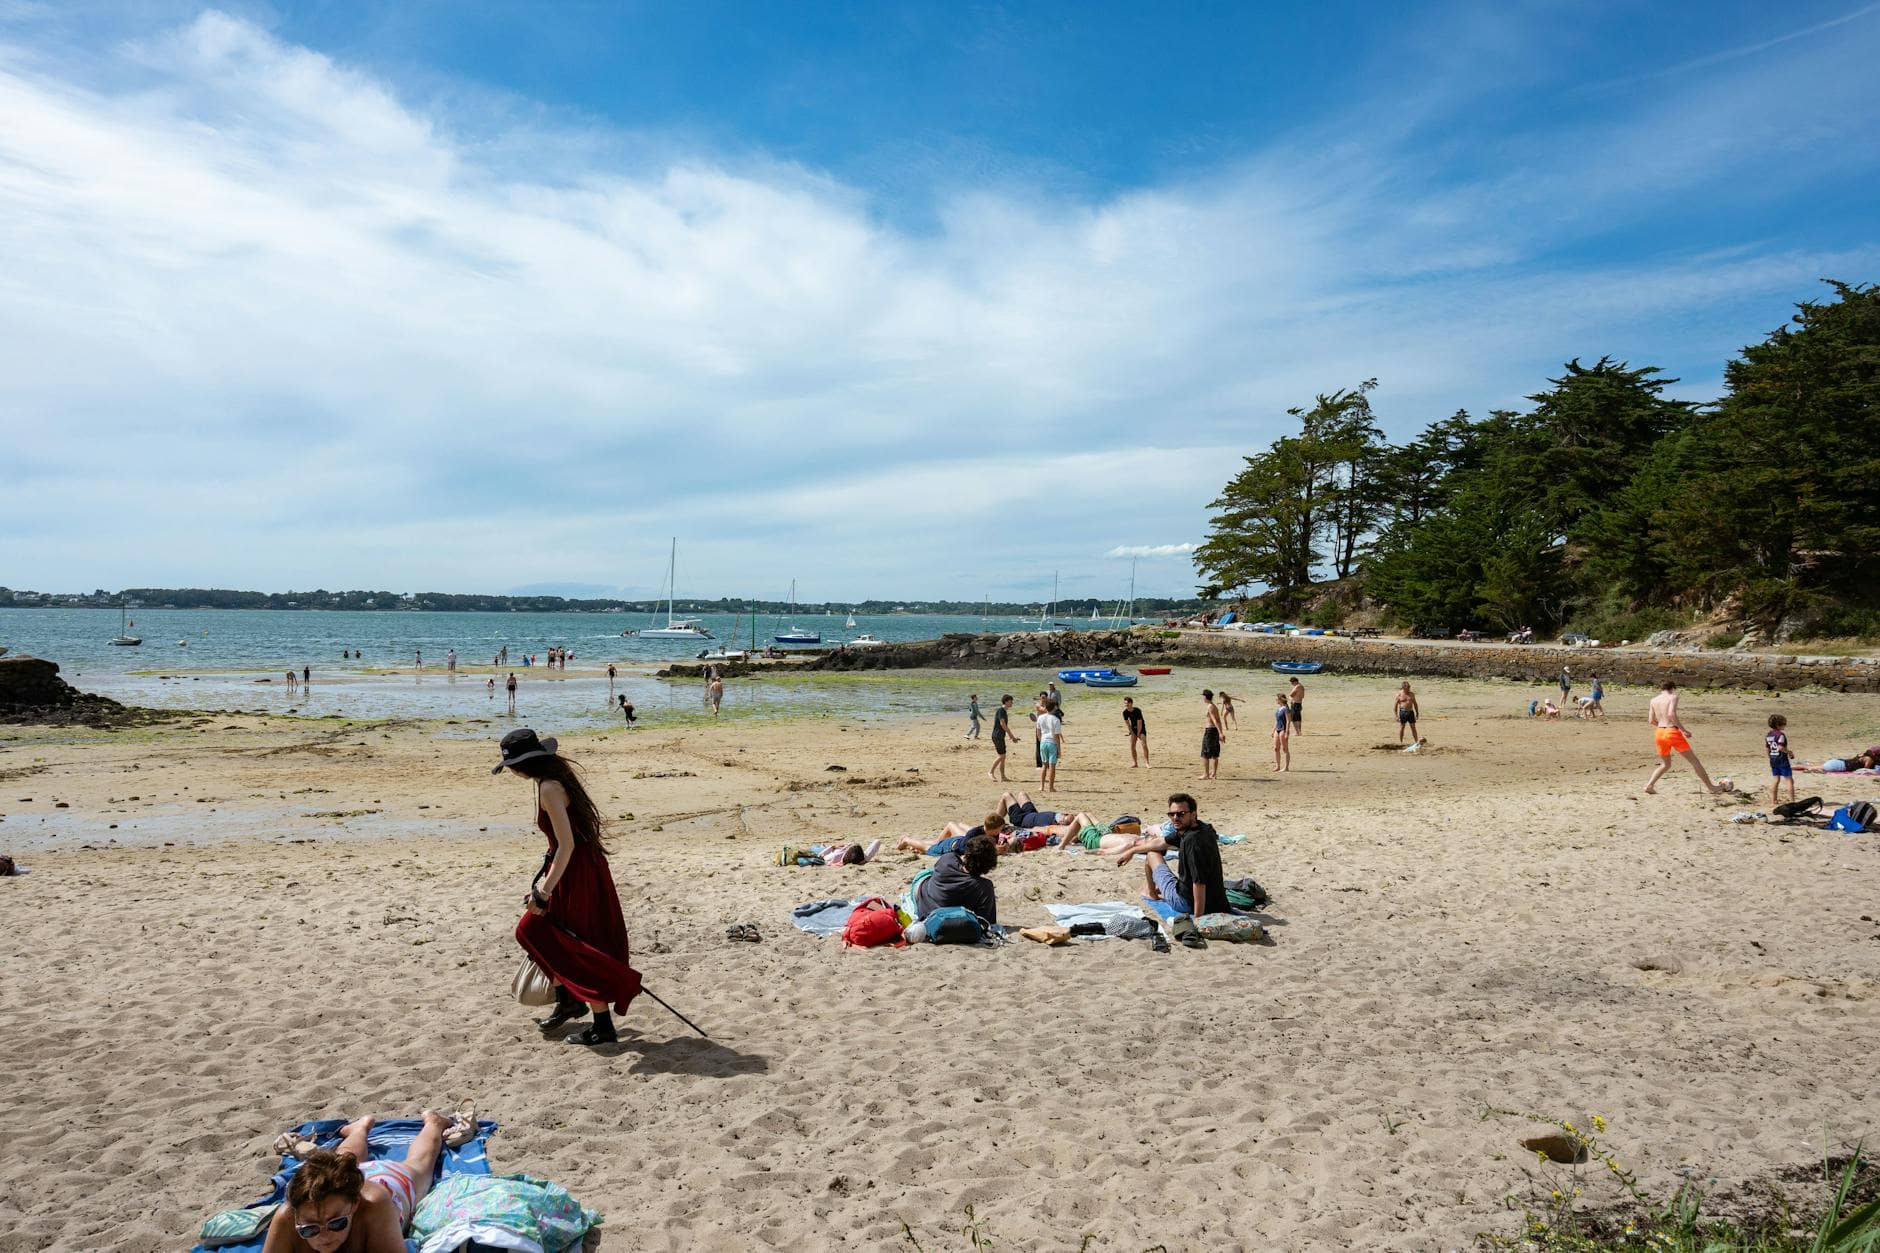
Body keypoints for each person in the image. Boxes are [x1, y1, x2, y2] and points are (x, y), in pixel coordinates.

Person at [496, 729, 640, 1046]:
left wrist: (544, 891)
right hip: (579, 869)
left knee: (549, 936)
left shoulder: (549, 787)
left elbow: (567, 845)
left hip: (576, 873)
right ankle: (574, 1002)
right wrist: (545, 883)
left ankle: (595, 1019)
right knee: (563, 938)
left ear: (522, 765)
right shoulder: (552, 780)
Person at [261, 1113, 450, 1253]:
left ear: (355, 1204)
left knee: (419, 1165)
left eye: (337, 1223)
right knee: (343, 1160)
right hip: (340, 1180)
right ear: (297, 1219)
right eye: (310, 1229)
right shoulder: (287, 1217)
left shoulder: (375, 1205)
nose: (324, 1236)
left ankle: (434, 1123)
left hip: (388, 1182)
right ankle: (360, 1128)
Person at [1137, 793, 1227, 918]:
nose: (1175, 818)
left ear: (1193, 814)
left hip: (1185, 903)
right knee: (1153, 849)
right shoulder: (1202, 828)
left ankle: (1152, 894)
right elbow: (1161, 842)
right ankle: (1155, 891)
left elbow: (1199, 882)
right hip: (1217, 903)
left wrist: (1198, 918)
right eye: (1171, 814)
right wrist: (1130, 852)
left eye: (1181, 814)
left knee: (1151, 855)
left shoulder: (1192, 841)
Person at [1644, 681, 1724, 796]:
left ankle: (1649, 785)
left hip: (1660, 732)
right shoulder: (1673, 697)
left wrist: (1663, 727)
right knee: (1695, 761)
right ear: (1672, 688)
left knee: (1666, 764)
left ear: (1661, 688)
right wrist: (1683, 730)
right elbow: (1671, 714)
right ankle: (1711, 787)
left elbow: (1651, 720)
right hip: (1672, 732)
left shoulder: (1653, 700)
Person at [913, 833, 998, 923]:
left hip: (923, 907)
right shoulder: (984, 887)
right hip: (943, 920)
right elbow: (986, 921)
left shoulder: (948, 859)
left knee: (929, 872)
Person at [1766, 714, 1795, 805]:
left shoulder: (1769, 735)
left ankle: (1773, 800)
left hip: (1773, 758)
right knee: (1789, 780)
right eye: (1784, 724)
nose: (1785, 726)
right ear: (1779, 725)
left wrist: (1770, 757)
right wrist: (1789, 752)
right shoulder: (1781, 735)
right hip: (1781, 759)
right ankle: (1791, 801)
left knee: (1775, 779)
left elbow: (1767, 748)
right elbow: (1780, 747)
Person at [988, 694, 1017, 782]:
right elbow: (1002, 724)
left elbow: (1003, 725)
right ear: (1006, 701)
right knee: (1002, 756)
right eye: (1011, 701)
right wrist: (1011, 735)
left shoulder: (1004, 711)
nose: (1012, 703)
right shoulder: (1001, 711)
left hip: (1000, 736)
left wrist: (1011, 736)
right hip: (997, 736)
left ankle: (1003, 776)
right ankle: (990, 772)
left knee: (1003, 756)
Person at [1037, 700, 1063, 791]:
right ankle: (1051, 787)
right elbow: (1056, 736)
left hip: (1043, 742)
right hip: (1052, 743)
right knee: (1052, 766)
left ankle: (1042, 786)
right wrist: (1059, 750)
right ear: (1054, 707)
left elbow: (1038, 732)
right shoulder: (1056, 720)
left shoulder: (1040, 717)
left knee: (1044, 765)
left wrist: (1041, 741)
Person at [1199, 688, 1225, 780]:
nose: (1203, 698)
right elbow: (1218, 720)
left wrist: (1221, 733)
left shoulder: (1210, 706)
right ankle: (1214, 773)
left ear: (1205, 697)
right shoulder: (1213, 706)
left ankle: (1206, 774)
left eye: (1203, 696)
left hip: (1210, 730)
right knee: (1215, 753)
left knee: (1205, 753)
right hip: (1215, 731)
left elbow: (1214, 720)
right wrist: (1220, 732)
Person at [1122, 697, 1148, 767]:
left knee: (1144, 744)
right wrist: (1132, 733)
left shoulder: (1137, 710)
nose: (1126, 705)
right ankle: (1135, 763)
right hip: (1133, 729)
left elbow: (1139, 723)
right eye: (1125, 704)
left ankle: (1147, 763)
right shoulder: (1125, 712)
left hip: (1141, 728)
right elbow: (1128, 724)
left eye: (1127, 703)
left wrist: (1138, 734)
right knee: (1132, 745)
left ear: (1131, 703)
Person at [1271, 692, 1291, 772]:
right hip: (1277, 729)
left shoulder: (1286, 709)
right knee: (1276, 748)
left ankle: (1286, 767)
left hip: (1283, 729)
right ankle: (1278, 766)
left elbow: (1288, 721)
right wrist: (1273, 731)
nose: (1276, 700)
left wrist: (1287, 732)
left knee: (1285, 749)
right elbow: (1276, 721)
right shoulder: (1279, 708)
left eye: (1277, 699)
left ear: (1280, 699)